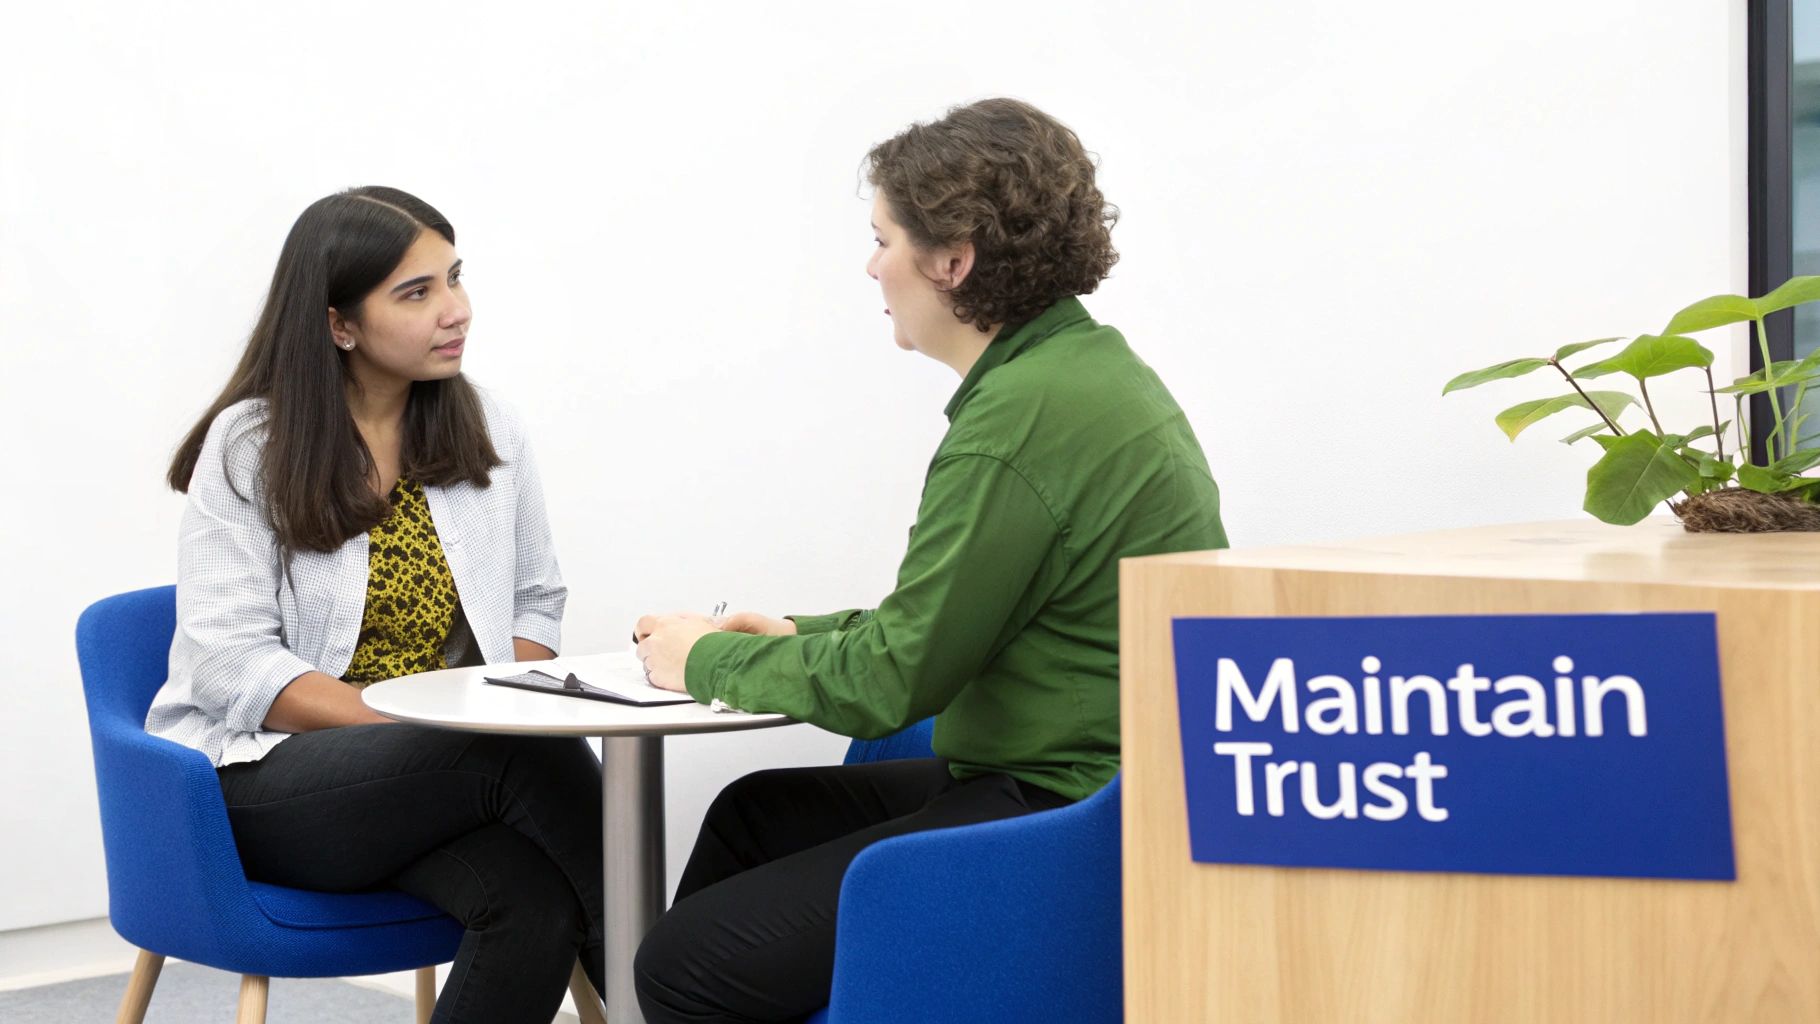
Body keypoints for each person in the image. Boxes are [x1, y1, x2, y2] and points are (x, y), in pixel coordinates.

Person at [630, 98, 1230, 1024]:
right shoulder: (1084, 372)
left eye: (882, 240)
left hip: (1061, 811)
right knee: (754, 817)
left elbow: (893, 681)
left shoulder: (1017, 425)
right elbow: (965, 618)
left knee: (684, 968)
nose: (872, 266)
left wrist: (700, 660)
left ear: (952, 261)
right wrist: (798, 632)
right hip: (1082, 782)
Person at [147, 186, 602, 1023]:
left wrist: (494, 712)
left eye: (455, 279)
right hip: (265, 782)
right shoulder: (252, 446)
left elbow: (535, 602)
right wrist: (426, 736)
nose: (456, 310)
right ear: (339, 324)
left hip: (443, 779)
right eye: (417, 292)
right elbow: (229, 662)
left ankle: (687, 979)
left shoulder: (488, 426)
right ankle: (690, 992)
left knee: (536, 902)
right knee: (515, 755)